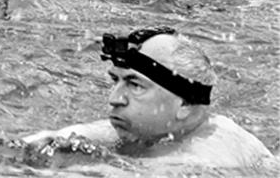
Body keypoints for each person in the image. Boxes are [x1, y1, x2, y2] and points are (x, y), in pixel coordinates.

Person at [22, 28, 275, 170]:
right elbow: (38, 145)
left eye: (135, 85)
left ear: (184, 103)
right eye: (115, 81)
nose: (115, 99)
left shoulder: (204, 163)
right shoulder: (155, 131)